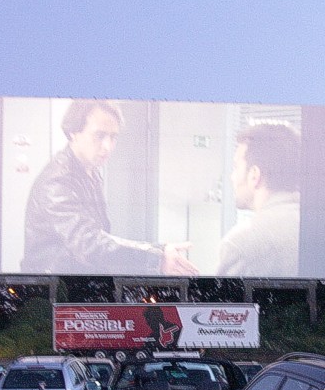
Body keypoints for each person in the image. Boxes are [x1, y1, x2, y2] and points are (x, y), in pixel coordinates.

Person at [22, 100, 197, 276]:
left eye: (113, 137)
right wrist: (156, 258)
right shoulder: (57, 181)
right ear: (73, 132)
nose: (108, 146)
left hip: (76, 282)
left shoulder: (90, 172)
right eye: (99, 135)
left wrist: (158, 251)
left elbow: (100, 239)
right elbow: (89, 244)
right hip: (52, 288)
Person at [217, 123, 302, 277]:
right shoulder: (323, 228)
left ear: (254, 175)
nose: (232, 177)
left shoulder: (240, 244)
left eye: (236, 167)